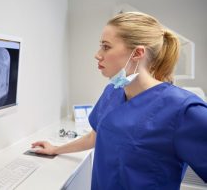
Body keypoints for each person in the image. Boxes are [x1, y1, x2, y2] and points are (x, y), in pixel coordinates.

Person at [32, 12, 207, 189]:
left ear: (137, 53)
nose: (97, 54)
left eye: (106, 47)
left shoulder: (184, 110)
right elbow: (96, 136)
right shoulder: (112, 92)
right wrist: (55, 149)